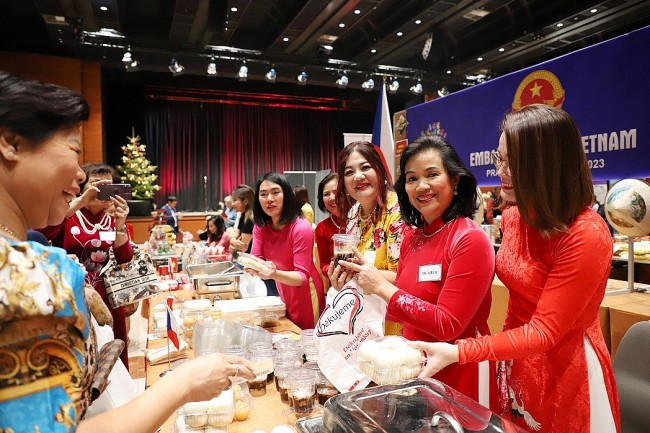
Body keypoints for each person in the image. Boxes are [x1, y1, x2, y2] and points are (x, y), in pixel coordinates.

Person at [0, 72, 254, 433]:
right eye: (73, 149)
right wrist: (183, 384)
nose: (78, 174)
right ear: (11, 144)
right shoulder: (30, 275)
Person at [410, 105, 620, 433]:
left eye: (511, 162)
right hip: (517, 358)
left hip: (567, 368)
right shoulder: (513, 216)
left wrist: (461, 350)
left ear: (546, 164)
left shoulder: (586, 234)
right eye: (499, 159)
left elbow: (545, 332)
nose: (500, 171)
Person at [339, 136, 496, 405]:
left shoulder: (470, 239)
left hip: (461, 372)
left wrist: (381, 287)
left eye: (432, 175)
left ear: (455, 181)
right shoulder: (413, 236)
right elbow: (409, 296)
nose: (421, 186)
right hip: (416, 371)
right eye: (412, 179)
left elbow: (447, 325)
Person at [39, 162, 134, 368]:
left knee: (113, 356)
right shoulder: (69, 215)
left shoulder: (114, 217)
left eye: (109, 185)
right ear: (85, 187)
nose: (102, 189)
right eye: (97, 184)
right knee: (82, 355)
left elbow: (124, 258)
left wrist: (120, 225)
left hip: (107, 298)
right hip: (76, 295)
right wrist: (81, 201)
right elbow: (44, 232)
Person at [328, 141, 405, 334]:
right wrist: (341, 277)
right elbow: (354, 265)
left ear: (380, 170)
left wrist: (356, 273)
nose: (358, 176)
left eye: (365, 167)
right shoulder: (354, 213)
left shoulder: (398, 211)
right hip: (365, 317)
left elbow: (405, 277)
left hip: (396, 319)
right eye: (349, 172)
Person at [247, 172, 325, 329]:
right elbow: (256, 258)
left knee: (307, 341)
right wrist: (252, 267)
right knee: (289, 333)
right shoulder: (261, 226)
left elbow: (302, 277)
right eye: (263, 194)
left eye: (275, 192)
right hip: (283, 288)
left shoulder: (300, 227)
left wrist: (272, 273)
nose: (269, 199)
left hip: (306, 294)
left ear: (286, 195)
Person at [314, 172, 345, 276]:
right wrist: (335, 268)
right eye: (326, 194)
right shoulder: (322, 228)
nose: (331, 197)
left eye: (336, 192)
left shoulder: (361, 220)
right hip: (339, 283)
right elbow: (323, 265)